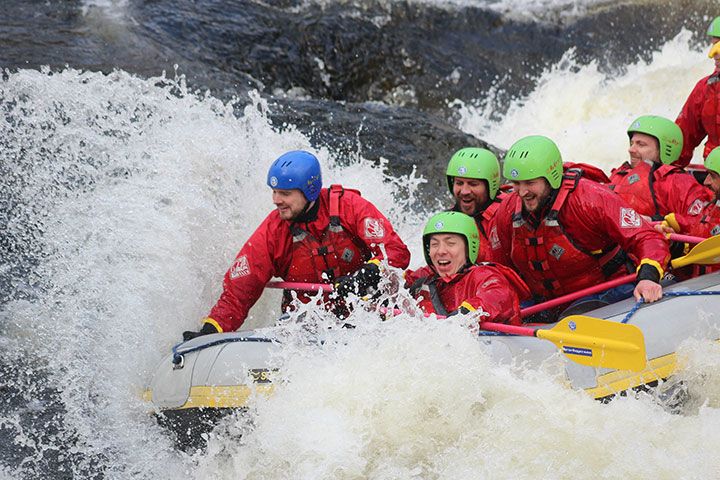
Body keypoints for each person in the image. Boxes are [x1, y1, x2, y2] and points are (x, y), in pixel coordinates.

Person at [183, 150, 411, 339]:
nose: (276, 200)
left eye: (285, 193)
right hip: (306, 327)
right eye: (274, 192)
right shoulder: (273, 231)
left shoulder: (349, 206)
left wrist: (368, 273)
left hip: (368, 317)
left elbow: (396, 252)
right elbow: (239, 291)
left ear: (309, 191)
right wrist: (210, 331)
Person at [494, 135, 670, 316]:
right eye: (516, 183)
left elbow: (646, 237)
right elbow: (499, 269)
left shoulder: (591, 199)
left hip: (606, 292)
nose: (522, 192)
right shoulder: (507, 211)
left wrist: (648, 278)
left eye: (530, 183)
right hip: (546, 303)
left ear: (551, 177)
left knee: (573, 314)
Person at [404, 211, 530, 325]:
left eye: (450, 243)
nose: (441, 251)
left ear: (469, 248)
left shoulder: (485, 275)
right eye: (434, 244)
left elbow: (498, 296)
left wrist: (468, 311)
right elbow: (397, 289)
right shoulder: (426, 277)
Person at [608, 115, 712, 221]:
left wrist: (654, 221)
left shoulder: (679, 183)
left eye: (641, 144)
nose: (631, 149)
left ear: (664, 149)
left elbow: (697, 224)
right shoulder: (620, 174)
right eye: (632, 143)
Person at [445, 147, 506, 262]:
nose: (464, 191)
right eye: (459, 183)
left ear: (490, 186)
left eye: (473, 184)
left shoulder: (508, 214)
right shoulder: (450, 219)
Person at [675, 17, 720, 167]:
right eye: (714, 45)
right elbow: (681, 141)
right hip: (714, 177)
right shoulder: (705, 89)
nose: (713, 53)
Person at [661, 145, 720, 239]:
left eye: (713, 176)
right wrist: (677, 241)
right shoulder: (714, 206)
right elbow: (702, 236)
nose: (706, 181)